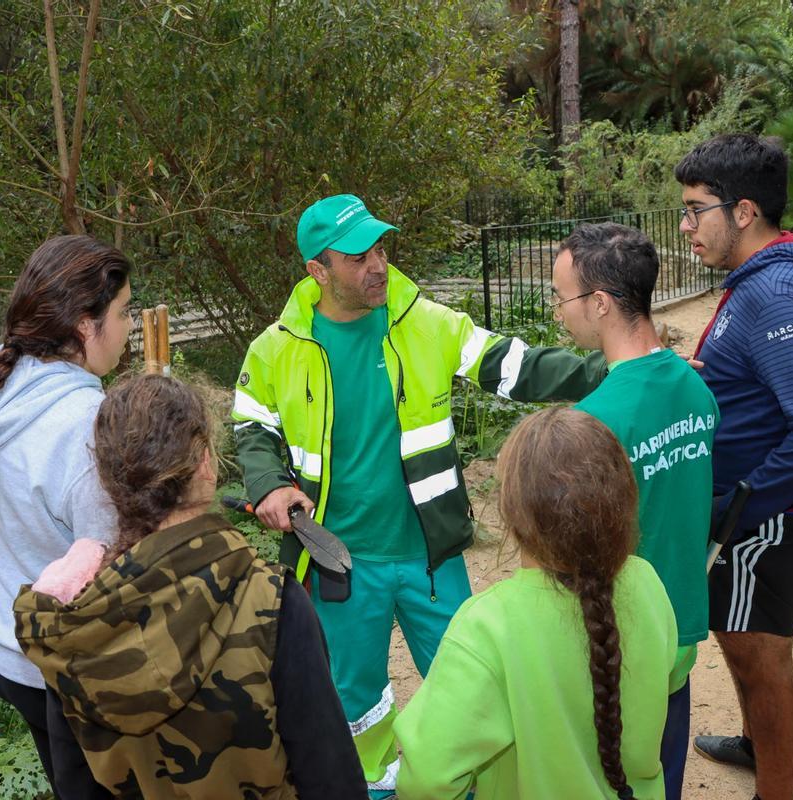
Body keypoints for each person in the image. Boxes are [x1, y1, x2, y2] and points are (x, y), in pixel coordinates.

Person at [231, 194, 609, 795]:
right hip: (339, 563)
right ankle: (375, 785)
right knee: (355, 697)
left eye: (380, 248)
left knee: (472, 680)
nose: (377, 264)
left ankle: (474, 785)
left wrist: (615, 370)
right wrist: (269, 482)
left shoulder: (426, 322)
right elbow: (252, 425)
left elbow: (515, 367)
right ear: (317, 271)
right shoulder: (276, 348)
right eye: (357, 257)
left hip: (430, 555)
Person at [13, 374, 365, 799]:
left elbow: (76, 786)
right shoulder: (272, 601)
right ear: (205, 463)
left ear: (107, 480)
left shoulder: (74, 624)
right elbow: (329, 771)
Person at [673, 134, 793, 800]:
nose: (687, 226)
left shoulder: (773, 294)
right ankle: (758, 744)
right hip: (756, 515)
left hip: (771, 522)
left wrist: (738, 508)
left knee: (760, 658)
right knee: (737, 636)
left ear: (743, 211)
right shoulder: (761, 282)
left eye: (696, 210)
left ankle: (774, 790)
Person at [393, 407, 678, 800]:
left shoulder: (489, 625)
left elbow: (426, 781)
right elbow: (673, 675)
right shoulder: (647, 581)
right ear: (622, 501)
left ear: (513, 515)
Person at [0, 235, 133, 799]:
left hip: (4, 645)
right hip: (64, 670)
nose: (131, 327)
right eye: (124, 312)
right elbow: (107, 565)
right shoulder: (84, 423)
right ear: (84, 325)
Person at [551, 222, 718, 800]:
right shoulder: (695, 385)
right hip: (680, 631)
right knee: (664, 771)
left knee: (614, 778)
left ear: (599, 303)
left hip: (620, 642)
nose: (556, 311)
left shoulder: (594, 423)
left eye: (561, 296)